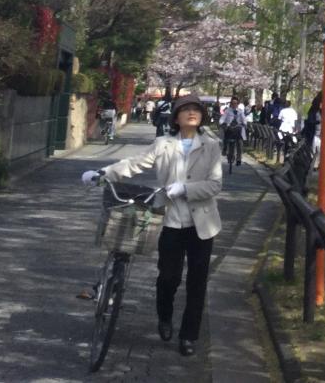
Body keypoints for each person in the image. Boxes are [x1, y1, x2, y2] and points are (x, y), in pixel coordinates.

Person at [84, 94, 222, 357]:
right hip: (170, 220)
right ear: (176, 117)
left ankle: (188, 336)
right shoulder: (163, 144)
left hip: (202, 224)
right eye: (186, 109)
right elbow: (135, 164)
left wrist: (185, 188)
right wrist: (104, 173)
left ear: (203, 116)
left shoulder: (212, 145)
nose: (192, 113)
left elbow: (215, 185)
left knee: (197, 282)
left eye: (196, 109)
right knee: (168, 277)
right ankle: (165, 317)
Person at [219, 96, 247, 167]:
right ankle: (225, 149)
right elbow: (222, 118)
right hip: (229, 128)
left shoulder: (240, 111)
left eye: (236, 103)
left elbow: (244, 119)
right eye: (233, 103)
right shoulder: (227, 111)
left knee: (240, 143)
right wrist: (222, 123)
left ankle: (239, 158)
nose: (234, 105)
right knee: (226, 137)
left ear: (238, 104)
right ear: (231, 103)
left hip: (238, 128)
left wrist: (244, 123)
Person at [276, 97, 299, 163]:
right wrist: (296, 128)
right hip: (291, 128)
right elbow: (296, 120)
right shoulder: (293, 111)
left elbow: (279, 119)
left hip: (283, 127)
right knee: (292, 140)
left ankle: (283, 152)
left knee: (282, 139)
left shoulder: (282, 111)